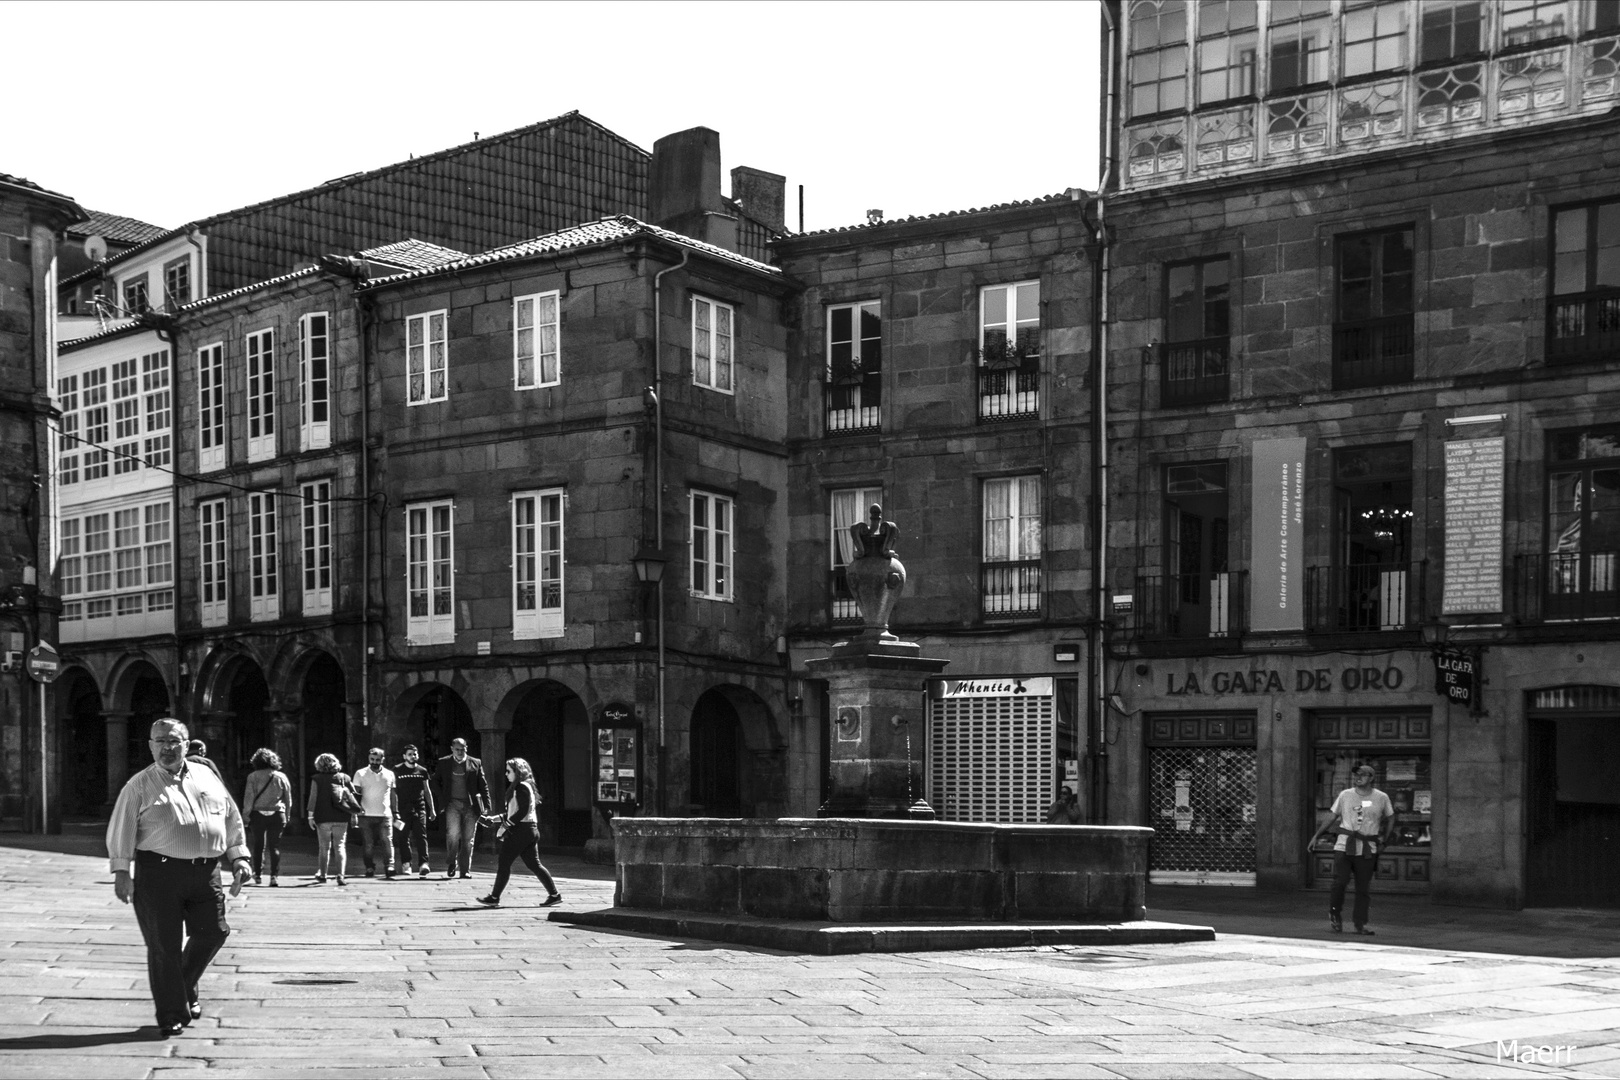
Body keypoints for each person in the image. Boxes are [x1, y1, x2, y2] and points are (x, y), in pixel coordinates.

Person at [105, 718, 253, 1037]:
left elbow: (229, 815)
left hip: (206, 871)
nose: (166, 748)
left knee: (214, 931)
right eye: (159, 741)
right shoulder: (138, 785)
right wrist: (121, 871)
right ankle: (172, 1011)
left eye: (173, 741)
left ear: (187, 744)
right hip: (158, 873)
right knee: (165, 946)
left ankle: (184, 986)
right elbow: (122, 828)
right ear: (150, 746)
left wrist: (239, 856)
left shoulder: (207, 775)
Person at [1308, 762, 1395, 936]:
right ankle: (1334, 913)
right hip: (1344, 845)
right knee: (1340, 882)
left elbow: (1391, 817)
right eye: (1356, 775)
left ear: (1371, 778)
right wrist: (1316, 835)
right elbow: (1332, 816)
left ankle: (1360, 923)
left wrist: (1385, 840)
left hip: (1367, 848)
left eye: (1362, 775)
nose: (1358, 778)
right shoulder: (1345, 795)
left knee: (1363, 888)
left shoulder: (1381, 797)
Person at [476, 758, 563, 908]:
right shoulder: (525, 786)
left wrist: (505, 826)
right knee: (534, 864)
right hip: (530, 830)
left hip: (521, 831)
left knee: (504, 863)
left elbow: (521, 812)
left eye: (509, 771)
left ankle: (494, 897)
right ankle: (554, 895)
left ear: (518, 772)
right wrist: (494, 819)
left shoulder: (521, 787)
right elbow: (513, 812)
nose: (506, 774)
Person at [432, 738, 490, 879]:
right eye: (457, 749)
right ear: (452, 749)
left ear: (466, 748)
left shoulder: (475, 763)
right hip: (452, 804)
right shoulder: (444, 762)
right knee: (453, 834)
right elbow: (434, 781)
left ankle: (465, 870)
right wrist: (441, 798)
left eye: (462, 749)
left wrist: (487, 806)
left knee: (468, 839)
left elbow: (483, 785)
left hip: (471, 805)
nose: (459, 752)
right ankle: (452, 862)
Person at [306, 753, 360, 886]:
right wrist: (354, 815)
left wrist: (310, 816)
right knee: (340, 846)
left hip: (323, 817)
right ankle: (341, 875)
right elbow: (352, 798)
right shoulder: (344, 777)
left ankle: (323, 874)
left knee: (324, 847)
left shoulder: (316, 779)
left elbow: (313, 799)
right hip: (341, 816)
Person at [241, 749, 292, 886]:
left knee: (258, 845)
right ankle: (274, 877)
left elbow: (249, 798)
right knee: (274, 846)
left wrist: (245, 815)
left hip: (258, 814)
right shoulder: (282, 777)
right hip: (277, 814)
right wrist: (286, 815)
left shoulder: (253, 776)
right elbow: (288, 799)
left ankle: (257, 875)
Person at [352, 747, 399, 879]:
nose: (375, 762)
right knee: (368, 843)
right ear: (368, 758)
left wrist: (396, 811)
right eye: (372, 759)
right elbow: (355, 794)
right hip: (365, 814)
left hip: (385, 814)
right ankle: (369, 867)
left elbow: (393, 795)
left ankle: (390, 866)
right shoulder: (360, 774)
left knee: (387, 841)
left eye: (378, 760)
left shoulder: (389, 774)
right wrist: (354, 812)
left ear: (383, 759)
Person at [394, 744, 436, 877]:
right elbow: (393, 791)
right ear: (404, 756)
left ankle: (424, 864)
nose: (413, 756)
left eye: (415, 754)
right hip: (402, 809)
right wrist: (394, 810)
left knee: (421, 836)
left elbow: (427, 790)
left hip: (419, 808)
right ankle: (406, 863)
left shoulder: (422, 771)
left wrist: (432, 809)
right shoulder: (397, 770)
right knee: (403, 836)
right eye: (410, 754)